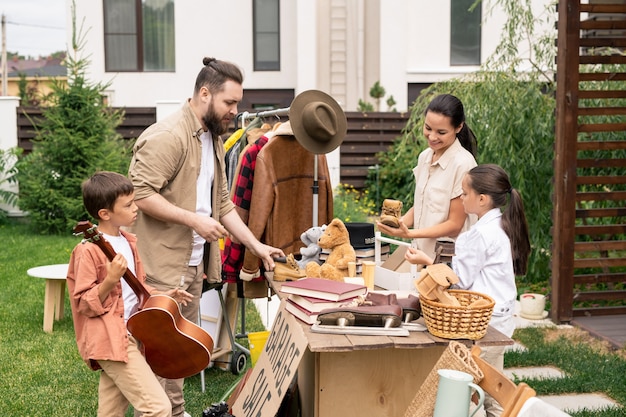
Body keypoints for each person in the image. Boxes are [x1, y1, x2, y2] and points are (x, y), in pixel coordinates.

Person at [127, 57, 284, 417]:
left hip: (191, 265)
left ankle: (174, 411)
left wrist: (256, 246)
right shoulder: (168, 136)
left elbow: (224, 204)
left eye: (237, 104)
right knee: (156, 354)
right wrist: (194, 221)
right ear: (204, 94)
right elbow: (139, 194)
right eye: (229, 103)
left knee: (176, 355)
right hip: (159, 265)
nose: (235, 111)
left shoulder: (212, 138)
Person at [405, 164, 531, 417]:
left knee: (463, 392)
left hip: (482, 324)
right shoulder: (502, 225)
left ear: (481, 199)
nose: (461, 198)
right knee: (493, 387)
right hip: (502, 318)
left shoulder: (477, 235)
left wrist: (427, 261)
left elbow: (458, 282)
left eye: (464, 193)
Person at [67, 171, 194, 417]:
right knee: (157, 408)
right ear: (105, 214)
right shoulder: (88, 251)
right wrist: (110, 280)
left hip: (134, 332)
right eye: (128, 205)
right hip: (111, 339)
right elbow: (83, 303)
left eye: (134, 201)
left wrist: (166, 296)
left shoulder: (128, 241)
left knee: (110, 411)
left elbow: (136, 290)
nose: (136, 208)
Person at [376, 93, 478, 260]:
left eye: (441, 132)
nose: (432, 137)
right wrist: (399, 223)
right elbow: (424, 204)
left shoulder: (463, 164)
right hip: (420, 256)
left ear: (458, 127)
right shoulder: (425, 157)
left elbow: (454, 225)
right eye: (428, 128)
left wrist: (409, 233)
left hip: (448, 261)